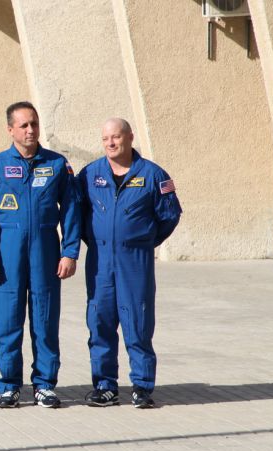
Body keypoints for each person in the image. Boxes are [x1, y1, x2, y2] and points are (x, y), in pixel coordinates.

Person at [0, 101, 80, 409]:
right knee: (7, 320)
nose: (30, 130)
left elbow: (71, 210)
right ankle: (9, 385)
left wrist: (70, 251)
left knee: (45, 319)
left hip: (46, 250)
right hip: (8, 252)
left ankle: (44, 384)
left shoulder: (57, 165)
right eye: (23, 125)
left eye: (34, 123)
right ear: (10, 130)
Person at [77, 118, 181, 409]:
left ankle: (142, 386)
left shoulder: (153, 175)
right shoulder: (89, 175)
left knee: (138, 321)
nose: (111, 143)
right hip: (100, 261)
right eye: (105, 138)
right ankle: (105, 386)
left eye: (116, 137)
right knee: (99, 321)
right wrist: (95, 240)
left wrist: (143, 241)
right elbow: (77, 214)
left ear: (130, 137)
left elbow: (170, 215)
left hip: (135, 261)